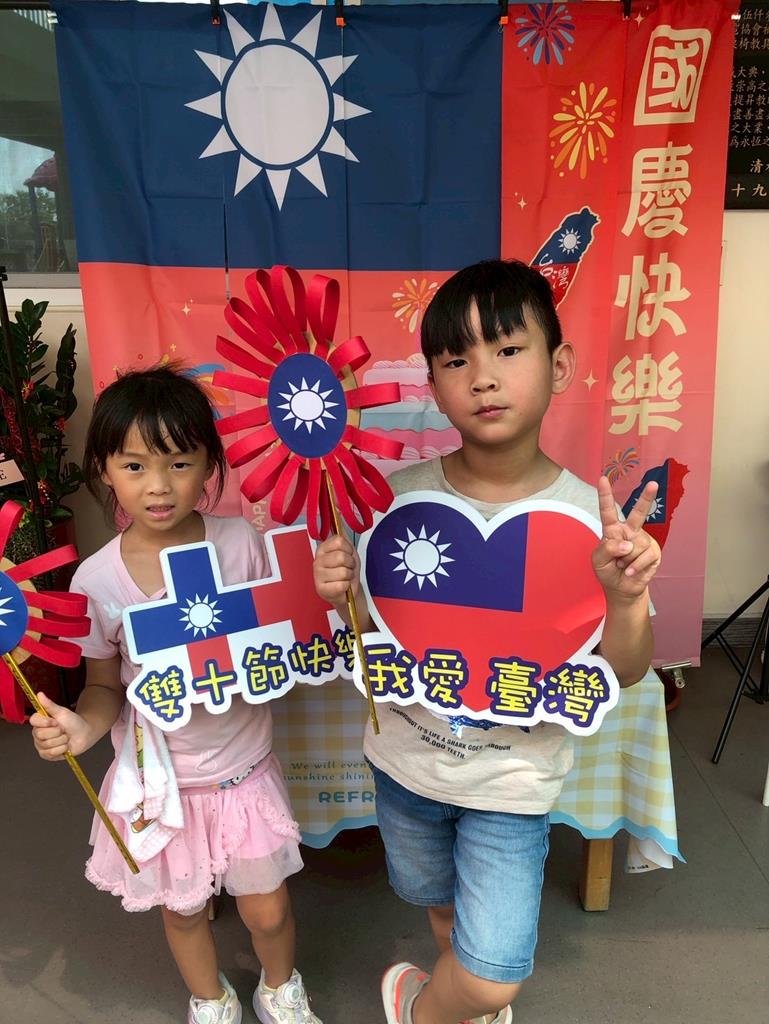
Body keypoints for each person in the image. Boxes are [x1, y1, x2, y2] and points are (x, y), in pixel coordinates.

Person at [313, 259, 661, 1024]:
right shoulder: (392, 503)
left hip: (512, 784)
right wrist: (342, 597)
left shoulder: (590, 521)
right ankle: (458, 999)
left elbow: (625, 670)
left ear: (558, 364)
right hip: (406, 771)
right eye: (455, 360)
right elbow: (373, 645)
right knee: (440, 909)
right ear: (433, 386)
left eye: (507, 349)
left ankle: (423, 1006)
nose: (482, 377)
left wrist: (624, 597)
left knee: (494, 972)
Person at [30, 365, 322, 1024]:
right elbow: (104, 685)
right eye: (134, 466)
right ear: (104, 470)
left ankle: (280, 988)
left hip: (243, 774)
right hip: (162, 787)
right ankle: (210, 998)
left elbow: (283, 637)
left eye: (180, 463)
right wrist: (81, 728)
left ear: (210, 466)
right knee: (184, 911)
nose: (158, 486)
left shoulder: (240, 543)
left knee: (268, 909)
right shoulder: (97, 580)